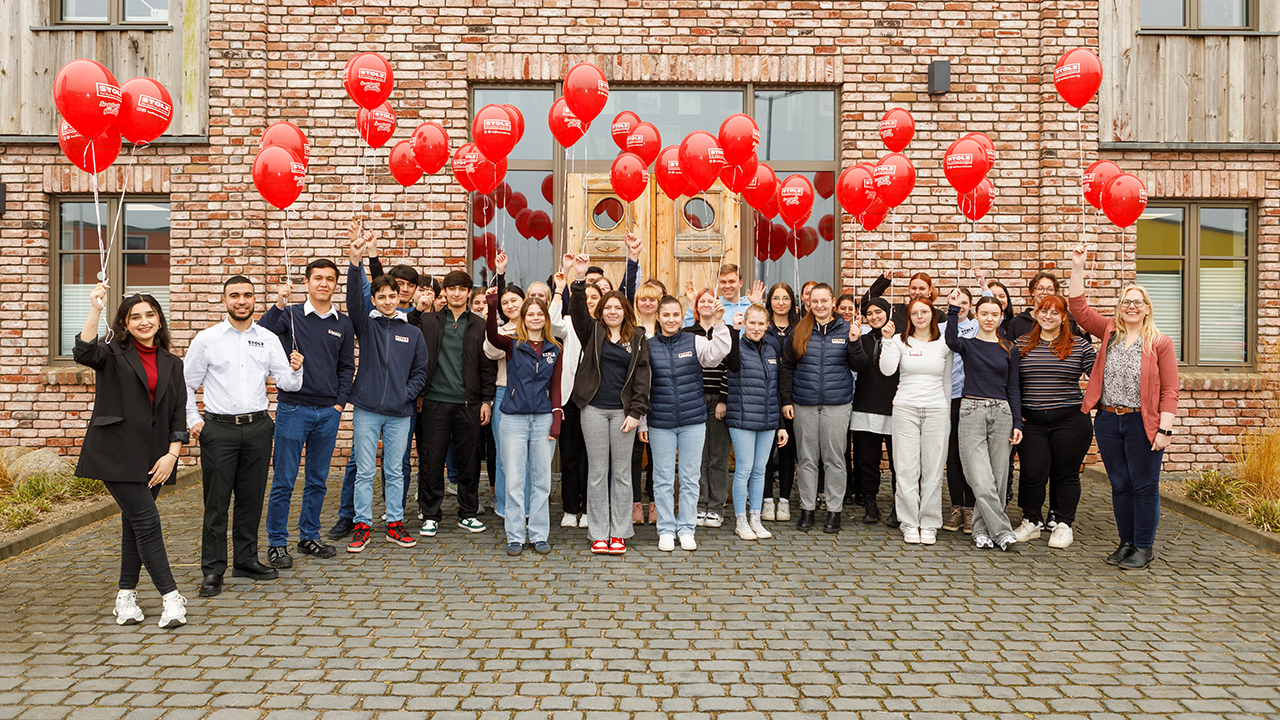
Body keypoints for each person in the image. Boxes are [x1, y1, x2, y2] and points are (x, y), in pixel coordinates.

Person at [75, 283, 189, 629]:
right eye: (134, 317)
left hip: (155, 457)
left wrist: (172, 454)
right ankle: (171, 598)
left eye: (149, 315)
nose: (143, 321)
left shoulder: (173, 362)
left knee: (133, 524)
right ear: (124, 324)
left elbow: (178, 413)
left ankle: (125, 596)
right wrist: (96, 309)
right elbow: (83, 352)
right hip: (116, 453)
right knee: (148, 522)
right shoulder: (111, 354)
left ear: (159, 319)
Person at [185, 275, 303, 598]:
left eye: (247, 295)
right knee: (217, 503)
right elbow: (184, 384)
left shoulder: (267, 338)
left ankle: (247, 560)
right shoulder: (206, 340)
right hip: (218, 429)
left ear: (255, 300)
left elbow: (287, 384)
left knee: (251, 499)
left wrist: (295, 370)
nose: (241, 301)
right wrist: (194, 420)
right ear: (224, 300)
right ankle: (212, 569)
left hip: (257, 428)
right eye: (234, 295)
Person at [1068, 243, 1178, 570]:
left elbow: (1171, 389)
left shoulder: (1159, 342)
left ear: (1147, 308)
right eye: (1126, 301)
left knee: (1144, 485)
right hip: (1108, 420)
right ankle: (1126, 542)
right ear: (1119, 307)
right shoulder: (1108, 332)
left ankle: (1144, 546)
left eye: (1137, 302)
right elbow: (1078, 309)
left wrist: (1165, 429)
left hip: (1141, 424)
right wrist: (1078, 267)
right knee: (1119, 484)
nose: (1131, 306)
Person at [261, 257, 355, 568]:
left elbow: (346, 367)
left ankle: (309, 536)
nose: (324, 283)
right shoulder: (289, 315)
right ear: (307, 282)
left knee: (317, 479)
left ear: (336, 284)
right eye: (318, 278)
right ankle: (276, 543)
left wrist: (339, 404)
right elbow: (260, 335)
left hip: (327, 413)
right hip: (293, 409)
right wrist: (277, 304)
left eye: (330, 278)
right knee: (285, 480)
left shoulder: (342, 323)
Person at [344, 233, 430, 552]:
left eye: (392, 296)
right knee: (364, 471)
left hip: (399, 412)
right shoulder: (366, 326)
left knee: (395, 470)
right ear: (376, 300)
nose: (387, 301)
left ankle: (394, 522)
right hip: (366, 409)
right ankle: (363, 525)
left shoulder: (412, 332)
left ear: (398, 297)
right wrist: (356, 264)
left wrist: (404, 395)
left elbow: (421, 371)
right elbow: (355, 298)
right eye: (381, 297)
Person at [569, 256, 651, 555]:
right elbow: (578, 312)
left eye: (618, 307)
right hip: (593, 409)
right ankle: (599, 533)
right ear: (601, 312)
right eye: (608, 307)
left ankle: (619, 532)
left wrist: (635, 412)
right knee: (597, 472)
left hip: (623, 414)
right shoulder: (593, 332)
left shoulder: (638, 338)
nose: (613, 311)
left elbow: (643, 378)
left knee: (621, 474)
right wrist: (579, 279)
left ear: (625, 311)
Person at [410, 269, 496, 537]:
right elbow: (407, 333)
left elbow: (487, 367)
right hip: (434, 400)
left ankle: (468, 513)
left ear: (469, 292)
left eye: (462, 289)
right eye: (451, 288)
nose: (456, 293)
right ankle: (430, 514)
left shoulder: (479, 325)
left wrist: (486, 400)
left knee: (468, 460)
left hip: (468, 403)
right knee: (432, 459)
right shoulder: (430, 321)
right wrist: (418, 308)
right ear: (444, 292)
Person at [642, 294, 731, 551]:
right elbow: (643, 388)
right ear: (658, 318)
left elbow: (718, 353)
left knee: (691, 478)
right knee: (662, 478)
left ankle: (687, 528)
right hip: (660, 422)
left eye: (676, 315)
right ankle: (667, 529)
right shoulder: (648, 345)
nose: (671, 319)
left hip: (693, 421)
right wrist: (643, 424)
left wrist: (719, 323)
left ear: (683, 317)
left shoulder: (695, 341)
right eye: (666, 315)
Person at [1015, 294, 1098, 550]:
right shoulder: (1021, 344)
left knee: (1066, 474)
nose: (1048, 316)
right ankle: (1031, 521)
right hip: (1033, 421)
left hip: (1070, 421)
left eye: (1055, 312)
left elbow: (1097, 377)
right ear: (1036, 314)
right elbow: (1010, 383)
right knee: (1032, 472)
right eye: (1043, 311)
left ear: (1064, 317)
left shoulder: (1079, 345)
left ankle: (1063, 524)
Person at [486, 287, 563, 556]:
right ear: (522, 317)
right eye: (529, 314)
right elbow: (492, 336)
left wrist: (556, 417)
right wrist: (492, 304)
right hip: (513, 419)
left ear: (545, 317)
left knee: (542, 480)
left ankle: (540, 534)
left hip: (543, 419)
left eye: (538, 313)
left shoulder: (554, 349)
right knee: (515, 480)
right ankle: (516, 535)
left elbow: (555, 386)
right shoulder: (512, 344)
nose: (534, 317)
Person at [945, 292, 1023, 551]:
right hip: (971, 411)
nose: (989, 319)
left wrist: (1017, 423)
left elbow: (1014, 389)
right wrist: (953, 309)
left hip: (1001, 412)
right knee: (979, 476)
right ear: (976, 315)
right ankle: (1002, 531)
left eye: (995, 314)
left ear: (1002, 317)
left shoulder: (1010, 348)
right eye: (984, 314)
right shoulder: (967, 344)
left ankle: (981, 531)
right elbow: (950, 339)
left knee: (999, 478)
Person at [779, 283, 857, 534]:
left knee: (835, 459)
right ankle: (807, 508)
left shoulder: (847, 329)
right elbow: (787, 367)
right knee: (806, 459)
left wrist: (855, 342)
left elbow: (860, 365)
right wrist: (786, 400)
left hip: (837, 404)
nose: (820, 305)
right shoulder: (800, 330)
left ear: (833, 302)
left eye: (824, 301)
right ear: (808, 303)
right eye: (815, 301)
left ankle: (834, 511)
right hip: (804, 403)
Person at [879, 298, 951, 545]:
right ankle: (909, 521)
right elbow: (887, 370)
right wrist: (886, 340)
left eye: (925, 312)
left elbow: (948, 381)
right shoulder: (900, 340)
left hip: (936, 410)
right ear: (908, 317)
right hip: (905, 409)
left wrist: (947, 413)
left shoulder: (944, 342)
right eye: (915, 313)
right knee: (907, 469)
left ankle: (929, 523)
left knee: (932, 470)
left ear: (933, 314)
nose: (920, 316)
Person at [724, 303, 788, 540]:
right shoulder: (737, 348)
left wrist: (780, 424)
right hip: (742, 420)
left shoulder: (771, 350)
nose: (757, 328)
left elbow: (775, 390)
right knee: (744, 470)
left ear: (767, 325)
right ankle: (741, 520)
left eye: (761, 324)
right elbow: (730, 364)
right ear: (745, 323)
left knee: (761, 471)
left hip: (768, 420)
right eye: (752, 323)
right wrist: (733, 330)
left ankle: (755, 518)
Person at [848, 296, 899, 525]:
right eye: (869, 313)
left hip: (895, 407)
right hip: (865, 406)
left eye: (879, 312)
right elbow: (856, 365)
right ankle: (870, 503)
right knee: (866, 459)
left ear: (888, 313)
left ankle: (900, 505)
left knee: (899, 460)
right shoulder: (862, 339)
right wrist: (855, 341)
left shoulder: (901, 340)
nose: (874, 316)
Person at [686, 287, 732, 529]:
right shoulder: (686, 333)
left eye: (710, 301)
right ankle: (699, 503)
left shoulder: (724, 332)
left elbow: (729, 369)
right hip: (694, 398)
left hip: (717, 400)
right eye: (701, 301)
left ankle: (715, 506)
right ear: (695, 307)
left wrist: (723, 398)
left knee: (717, 456)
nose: (706, 304)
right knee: (697, 457)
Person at [483, 261, 525, 520]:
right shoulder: (500, 331)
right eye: (505, 302)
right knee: (503, 452)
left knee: (526, 455)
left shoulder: (538, 326)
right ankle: (503, 503)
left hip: (531, 396)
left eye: (514, 300)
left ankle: (526, 505)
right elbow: (491, 351)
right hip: (503, 392)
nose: (510, 306)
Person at [762, 282, 799, 522]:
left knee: (788, 450)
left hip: (793, 397)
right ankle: (766, 500)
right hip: (765, 394)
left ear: (792, 302)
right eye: (776, 298)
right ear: (770, 302)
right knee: (765, 451)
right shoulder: (763, 328)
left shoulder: (801, 328)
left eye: (785, 298)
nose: (781, 302)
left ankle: (784, 500)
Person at [942, 287, 977, 534]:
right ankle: (956, 508)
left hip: (973, 396)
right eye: (956, 302)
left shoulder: (978, 326)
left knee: (971, 455)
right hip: (950, 398)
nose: (961, 306)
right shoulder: (943, 328)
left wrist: (985, 286)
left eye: (965, 302)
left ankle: (971, 509)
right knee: (953, 455)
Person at [631, 279, 664, 525]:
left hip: (660, 401)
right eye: (643, 298)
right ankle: (634, 503)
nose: (648, 303)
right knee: (632, 456)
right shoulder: (630, 330)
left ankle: (654, 502)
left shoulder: (666, 331)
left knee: (657, 456)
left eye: (653, 299)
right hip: (632, 402)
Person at [683, 264, 757, 329]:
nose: (727, 286)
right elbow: (690, 330)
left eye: (732, 281)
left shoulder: (750, 305)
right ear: (718, 284)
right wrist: (692, 302)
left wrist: (757, 303)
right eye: (723, 282)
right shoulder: (712, 305)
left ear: (740, 283)